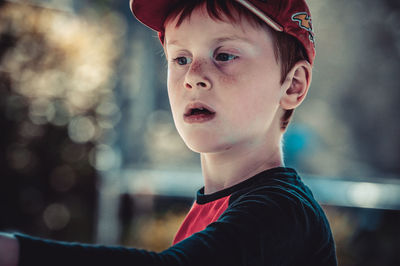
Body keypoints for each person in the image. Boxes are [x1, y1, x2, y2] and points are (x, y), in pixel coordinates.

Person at [0, 0, 337, 265]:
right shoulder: (216, 206)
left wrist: (14, 253)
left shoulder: (284, 211)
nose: (193, 75)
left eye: (224, 55)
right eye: (180, 58)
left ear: (293, 84)